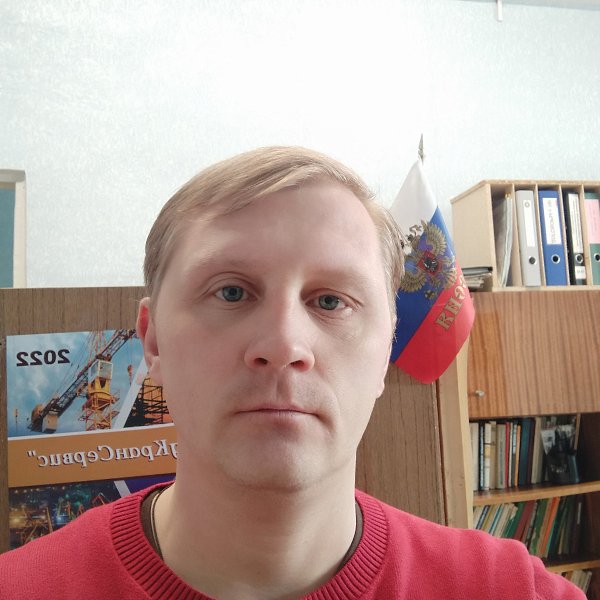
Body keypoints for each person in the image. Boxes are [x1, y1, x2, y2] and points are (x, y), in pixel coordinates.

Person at [0, 146, 584, 599]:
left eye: (331, 301)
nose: (283, 345)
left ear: (386, 348)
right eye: (231, 292)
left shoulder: (509, 590)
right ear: (153, 341)